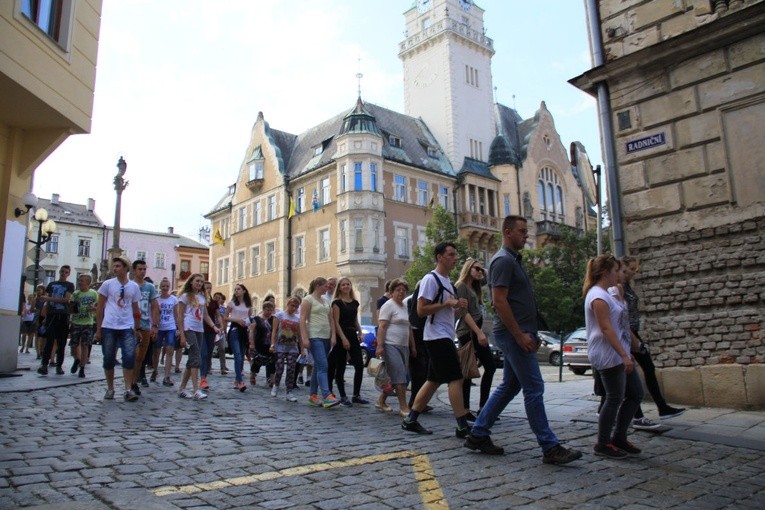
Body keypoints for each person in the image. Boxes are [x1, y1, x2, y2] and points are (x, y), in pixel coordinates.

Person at [464, 216, 582, 465]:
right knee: (534, 388)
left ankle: (478, 433)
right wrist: (519, 335)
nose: (526, 235)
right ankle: (549, 446)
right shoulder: (503, 261)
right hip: (512, 334)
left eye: (526, 231)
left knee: (510, 386)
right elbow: (499, 301)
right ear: (508, 233)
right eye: (522, 231)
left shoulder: (511, 260)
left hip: (519, 332)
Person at [402, 241, 471, 437]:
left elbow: (445, 309)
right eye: (450, 254)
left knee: (433, 379)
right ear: (439, 257)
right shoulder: (430, 279)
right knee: (455, 378)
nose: (454, 258)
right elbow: (421, 309)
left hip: (444, 335)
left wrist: (456, 305)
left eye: (455, 254)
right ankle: (462, 426)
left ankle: (410, 420)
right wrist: (446, 303)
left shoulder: (448, 282)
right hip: (436, 336)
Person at [584, 255, 644, 459]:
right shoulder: (597, 297)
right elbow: (607, 329)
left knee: (635, 393)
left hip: (619, 352)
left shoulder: (609, 293)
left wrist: (630, 350)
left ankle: (618, 436)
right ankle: (602, 443)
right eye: (616, 270)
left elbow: (621, 324)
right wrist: (623, 355)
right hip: (607, 353)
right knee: (614, 397)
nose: (620, 274)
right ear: (605, 273)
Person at [621, 256, 685, 428]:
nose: (634, 272)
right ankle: (638, 414)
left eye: (636, 269)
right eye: (632, 268)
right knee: (633, 371)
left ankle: (661, 408)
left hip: (633, 332)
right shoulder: (619, 287)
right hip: (628, 333)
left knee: (647, 368)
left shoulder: (626, 286)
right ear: (624, 268)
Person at [94, 256, 142, 401]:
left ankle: (128, 389)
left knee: (129, 358)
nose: (115, 269)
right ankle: (110, 388)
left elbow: (135, 308)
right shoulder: (107, 284)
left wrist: (137, 327)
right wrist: (98, 329)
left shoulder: (133, 287)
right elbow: (100, 307)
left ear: (126, 268)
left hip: (127, 326)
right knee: (108, 358)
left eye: (118, 266)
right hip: (109, 325)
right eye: (114, 266)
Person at [455, 257, 494, 421]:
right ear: (468, 269)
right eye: (476, 269)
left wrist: (480, 268)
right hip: (468, 332)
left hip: (474, 331)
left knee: (489, 367)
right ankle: (465, 409)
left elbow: (487, 278)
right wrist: (479, 333)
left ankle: (482, 407)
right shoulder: (462, 286)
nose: (480, 272)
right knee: (467, 370)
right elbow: (464, 313)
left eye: (481, 269)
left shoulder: (474, 287)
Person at [376, 278, 415, 416]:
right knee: (400, 376)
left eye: (404, 290)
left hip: (403, 346)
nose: (401, 293)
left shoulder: (405, 306)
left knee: (394, 377)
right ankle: (404, 407)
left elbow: (409, 328)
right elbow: (382, 326)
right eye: (398, 290)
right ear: (391, 292)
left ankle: (381, 401)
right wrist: (380, 346)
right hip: (390, 344)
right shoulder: (388, 305)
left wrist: (413, 346)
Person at [177, 273, 218, 400]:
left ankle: (182, 389)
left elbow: (205, 315)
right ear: (191, 282)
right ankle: (195, 390)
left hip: (199, 329)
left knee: (192, 361)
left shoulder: (202, 297)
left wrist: (213, 326)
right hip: (189, 328)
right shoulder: (184, 296)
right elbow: (180, 316)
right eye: (197, 281)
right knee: (196, 358)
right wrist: (182, 334)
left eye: (201, 282)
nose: (199, 284)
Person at [300, 277, 340, 408]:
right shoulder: (308, 300)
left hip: (326, 337)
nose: (327, 288)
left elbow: (331, 320)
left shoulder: (325, 301)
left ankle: (312, 396)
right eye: (325, 286)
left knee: (318, 366)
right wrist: (305, 338)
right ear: (318, 286)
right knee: (323, 366)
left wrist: (333, 336)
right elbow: (302, 320)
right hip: (314, 336)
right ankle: (327, 395)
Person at [329, 277, 369, 406]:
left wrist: (361, 332)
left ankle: (356, 395)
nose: (346, 286)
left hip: (352, 333)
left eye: (348, 284)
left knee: (359, 365)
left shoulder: (354, 303)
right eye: (343, 285)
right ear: (339, 287)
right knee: (340, 366)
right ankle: (343, 396)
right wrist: (343, 338)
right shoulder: (337, 303)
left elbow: (355, 320)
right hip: (342, 334)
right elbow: (336, 322)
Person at [37, 265, 75, 375]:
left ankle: (59, 365)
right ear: (59, 272)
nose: (63, 273)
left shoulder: (69, 285)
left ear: (68, 274)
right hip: (52, 314)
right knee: (49, 341)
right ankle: (44, 365)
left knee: (61, 341)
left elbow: (66, 299)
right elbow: (47, 301)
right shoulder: (51, 284)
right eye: (62, 271)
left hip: (63, 315)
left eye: (66, 272)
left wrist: (48, 299)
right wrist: (45, 315)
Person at [131, 260, 159, 394]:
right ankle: (130, 383)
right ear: (134, 270)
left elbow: (154, 306)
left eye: (144, 269)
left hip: (145, 325)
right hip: (129, 326)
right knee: (131, 355)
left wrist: (155, 325)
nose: (142, 271)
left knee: (140, 357)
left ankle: (133, 382)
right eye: (140, 269)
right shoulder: (129, 285)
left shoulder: (150, 287)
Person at [269, 296, 301, 402]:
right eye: (292, 305)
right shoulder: (279, 315)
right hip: (280, 346)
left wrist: (303, 349)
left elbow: (299, 335)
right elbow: (274, 331)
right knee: (279, 368)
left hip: (293, 347)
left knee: (291, 370)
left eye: (296, 307)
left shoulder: (297, 319)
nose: (294, 308)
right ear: (288, 304)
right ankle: (276, 385)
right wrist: (272, 344)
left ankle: (289, 391)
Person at [69, 274, 98, 378]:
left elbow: (99, 306)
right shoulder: (76, 294)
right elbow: (71, 308)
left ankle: (82, 368)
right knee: (73, 346)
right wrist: (73, 307)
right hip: (76, 322)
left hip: (88, 323)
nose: (80, 282)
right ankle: (77, 359)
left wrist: (94, 309)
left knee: (85, 346)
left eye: (82, 280)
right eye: (79, 280)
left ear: (88, 283)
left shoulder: (93, 293)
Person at [224, 284, 252, 391]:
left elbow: (249, 317)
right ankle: (240, 381)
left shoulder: (248, 304)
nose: (236, 291)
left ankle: (237, 379)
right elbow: (225, 317)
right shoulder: (232, 303)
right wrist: (237, 320)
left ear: (244, 291)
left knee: (241, 356)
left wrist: (248, 324)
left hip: (244, 331)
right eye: (235, 289)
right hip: (235, 330)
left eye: (239, 289)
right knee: (237, 355)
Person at [154, 278, 178, 387]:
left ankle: (167, 376)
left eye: (167, 286)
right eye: (163, 286)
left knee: (169, 350)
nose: (165, 288)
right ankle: (155, 370)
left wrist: (178, 328)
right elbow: (154, 314)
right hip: (159, 327)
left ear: (169, 287)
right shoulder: (157, 299)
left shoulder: (173, 299)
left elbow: (176, 314)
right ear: (160, 287)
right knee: (157, 350)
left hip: (170, 327)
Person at [200, 283, 223, 390]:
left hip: (211, 330)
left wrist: (221, 325)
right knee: (203, 353)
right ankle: (202, 377)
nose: (208, 290)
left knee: (209, 354)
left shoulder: (214, 303)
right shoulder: (199, 300)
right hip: (201, 329)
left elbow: (218, 315)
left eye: (210, 288)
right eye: (206, 288)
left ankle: (204, 374)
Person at [249, 300, 276, 387]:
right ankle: (253, 375)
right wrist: (252, 343)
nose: (269, 312)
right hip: (260, 343)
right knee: (258, 361)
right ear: (263, 309)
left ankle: (272, 380)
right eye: (267, 310)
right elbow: (252, 331)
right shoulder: (256, 319)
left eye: (271, 310)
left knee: (272, 361)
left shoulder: (273, 320)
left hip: (270, 344)